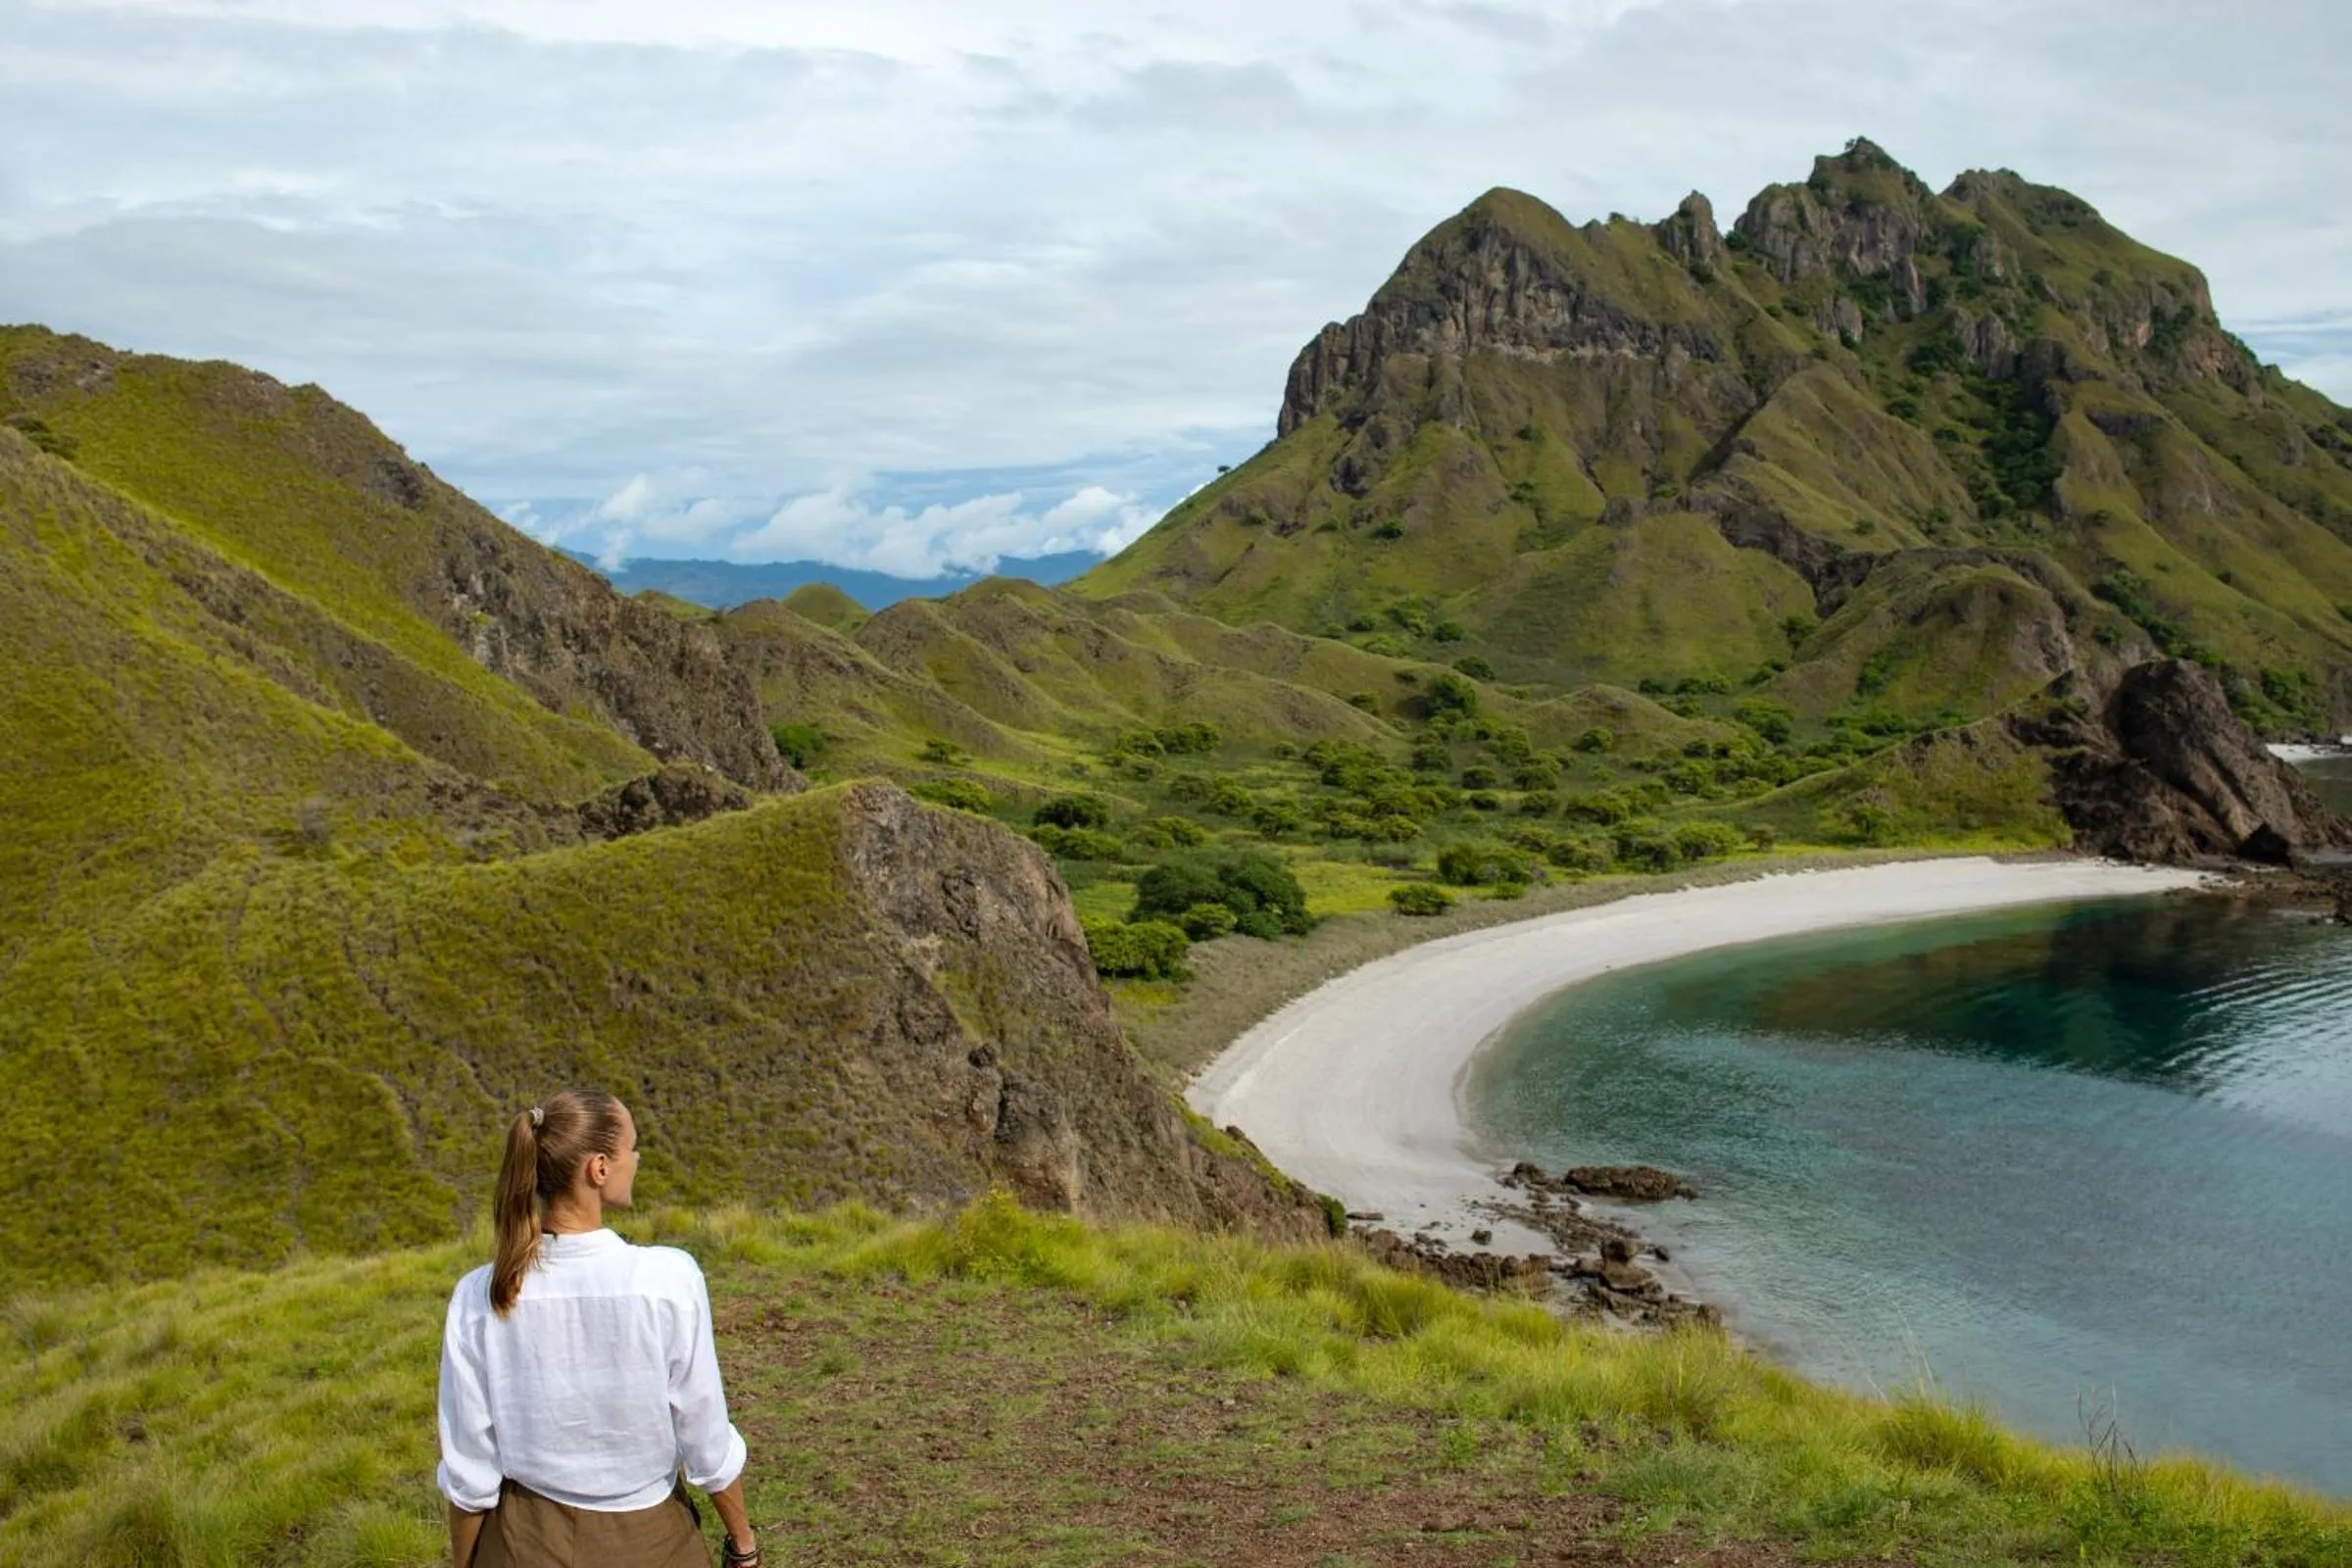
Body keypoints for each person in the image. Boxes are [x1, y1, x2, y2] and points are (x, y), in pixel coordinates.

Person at [436, 1088, 761, 1568]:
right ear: (600, 1168)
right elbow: (705, 1438)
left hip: (523, 1542)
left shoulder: (479, 1293)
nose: (638, 1159)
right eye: (632, 1147)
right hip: (652, 1541)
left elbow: (469, 1468)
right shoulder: (666, 1279)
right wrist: (743, 1544)